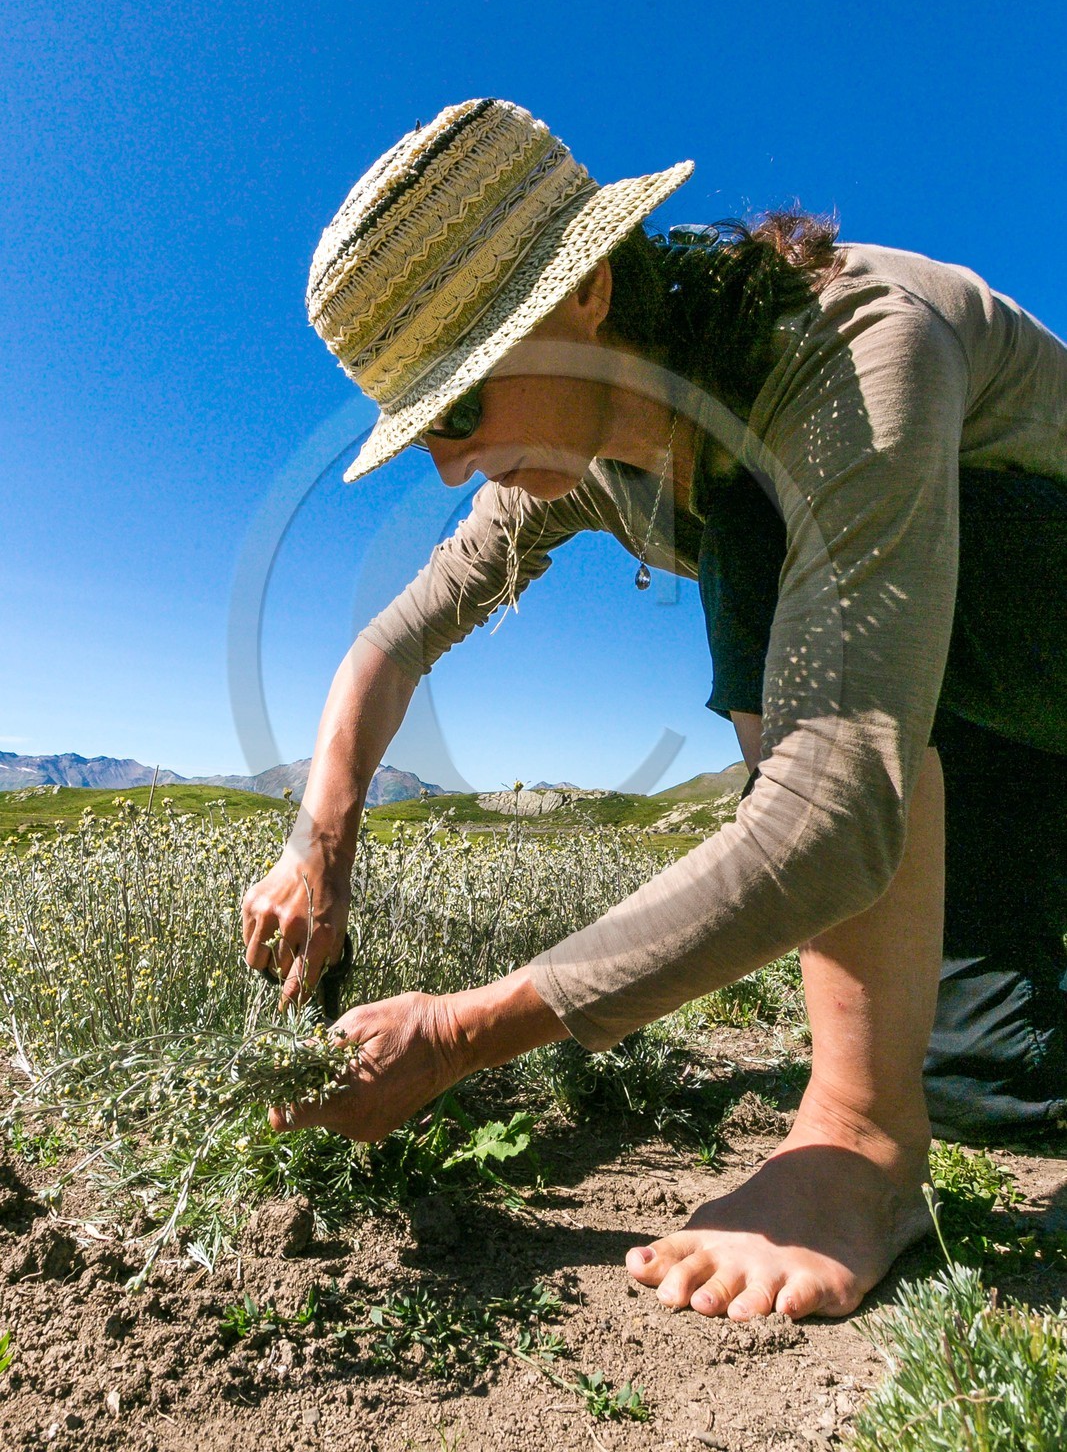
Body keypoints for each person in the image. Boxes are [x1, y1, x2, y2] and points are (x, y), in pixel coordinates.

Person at [242, 99, 1067, 1323]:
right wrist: (318, 853)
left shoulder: (846, 350)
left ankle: (856, 1143)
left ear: (581, 299)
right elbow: (391, 638)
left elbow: (830, 809)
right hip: (997, 736)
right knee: (987, 1077)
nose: (447, 464)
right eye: (421, 430)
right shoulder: (585, 456)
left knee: (757, 521)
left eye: (458, 409)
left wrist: (460, 1035)